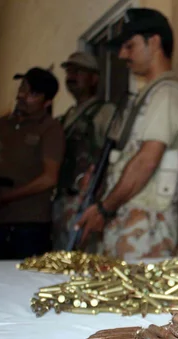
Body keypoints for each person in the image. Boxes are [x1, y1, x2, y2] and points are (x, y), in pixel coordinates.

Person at [74, 8, 178, 259]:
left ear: (153, 43)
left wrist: (104, 208)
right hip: (130, 222)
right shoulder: (146, 96)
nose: (122, 55)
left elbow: (146, 160)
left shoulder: (166, 94)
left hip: (147, 227)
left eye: (129, 46)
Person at [0, 67, 64, 259]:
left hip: (30, 224)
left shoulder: (50, 128)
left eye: (33, 93)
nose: (22, 95)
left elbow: (49, 178)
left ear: (47, 102)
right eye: (22, 88)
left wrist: (6, 198)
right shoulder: (2, 123)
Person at [52, 51, 116, 251]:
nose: (71, 76)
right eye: (69, 71)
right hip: (61, 203)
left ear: (94, 78)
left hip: (86, 202)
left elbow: (113, 157)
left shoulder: (105, 112)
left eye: (78, 72)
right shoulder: (64, 119)